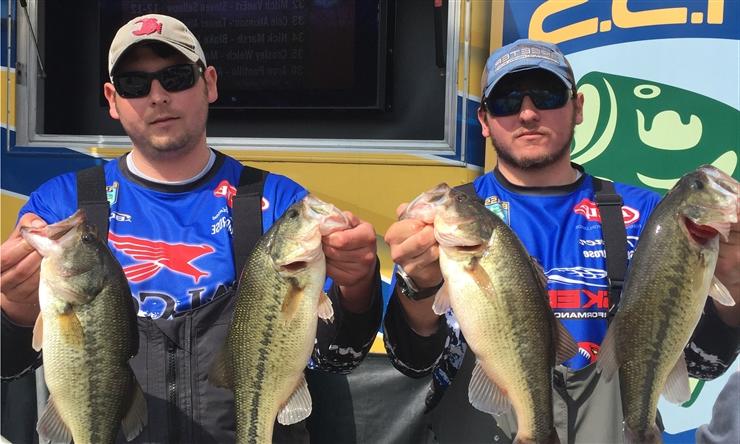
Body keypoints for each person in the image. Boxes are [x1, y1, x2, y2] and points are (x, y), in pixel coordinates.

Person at [0, 14, 382, 443]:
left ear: (210, 83)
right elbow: (10, 364)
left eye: (176, 77)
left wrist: (358, 287)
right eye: (133, 84)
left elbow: (335, 358)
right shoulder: (59, 207)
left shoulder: (279, 203)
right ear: (111, 98)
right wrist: (13, 309)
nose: (158, 96)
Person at [383, 38, 740, 443]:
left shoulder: (648, 214)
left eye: (548, 95)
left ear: (579, 107)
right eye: (507, 101)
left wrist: (733, 280)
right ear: (483, 120)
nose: (529, 113)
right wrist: (417, 290)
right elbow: (412, 362)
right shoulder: (447, 218)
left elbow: (701, 363)